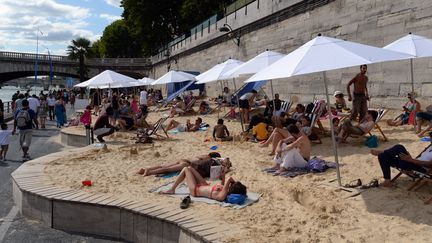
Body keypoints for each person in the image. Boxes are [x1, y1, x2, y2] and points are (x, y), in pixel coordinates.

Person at [160, 166, 246, 202]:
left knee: (186, 169)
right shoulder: (225, 191)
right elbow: (224, 183)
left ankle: (172, 189)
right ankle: (173, 188)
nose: (230, 186)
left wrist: (233, 182)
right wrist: (223, 175)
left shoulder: (222, 196)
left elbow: (230, 179)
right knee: (190, 167)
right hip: (204, 185)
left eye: (232, 186)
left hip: (195, 190)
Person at [137, 152, 231, 177]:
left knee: (164, 166)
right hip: (185, 164)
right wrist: (225, 165)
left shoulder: (203, 156)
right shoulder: (209, 160)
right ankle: (148, 172)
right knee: (166, 170)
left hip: (183, 160)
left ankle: (144, 169)